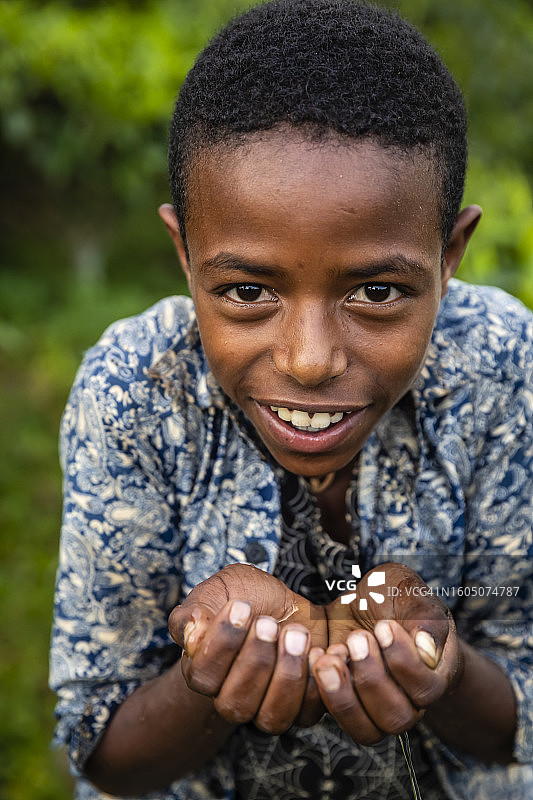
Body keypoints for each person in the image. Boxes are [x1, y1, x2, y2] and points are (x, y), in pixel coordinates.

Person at [49, 1, 533, 798]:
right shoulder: (134, 392)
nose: (309, 362)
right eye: (246, 290)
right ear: (185, 252)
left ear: (448, 258)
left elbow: (517, 712)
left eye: (376, 290)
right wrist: (205, 686)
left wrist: (443, 668)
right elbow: (102, 753)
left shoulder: (503, 369)